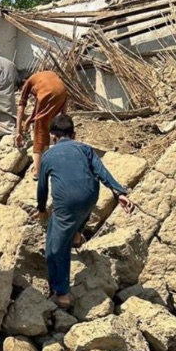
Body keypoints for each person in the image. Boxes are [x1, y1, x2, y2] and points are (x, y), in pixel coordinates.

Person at [36, 114, 134, 308]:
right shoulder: (85, 149)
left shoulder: (48, 155)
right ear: (73, 134)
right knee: (82, 209)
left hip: (66, 203)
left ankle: (62, 292)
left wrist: (41, 209)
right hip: (90, 198)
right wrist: (118, 193)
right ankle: (77, 234)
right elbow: (101, 171)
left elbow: (42, 188)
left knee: (55, 248)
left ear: (52, 137)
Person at [16, 70, 68, 179]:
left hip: (49, 93)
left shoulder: (28, 82)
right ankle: (50, 156)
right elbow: (39, 108)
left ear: (24, 81)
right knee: (49, 125)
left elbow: (20, 109)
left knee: (39, 129)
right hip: (63, 92)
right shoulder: (43, 77)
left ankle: (37, 170)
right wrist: (28, 120)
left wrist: (18, 133)